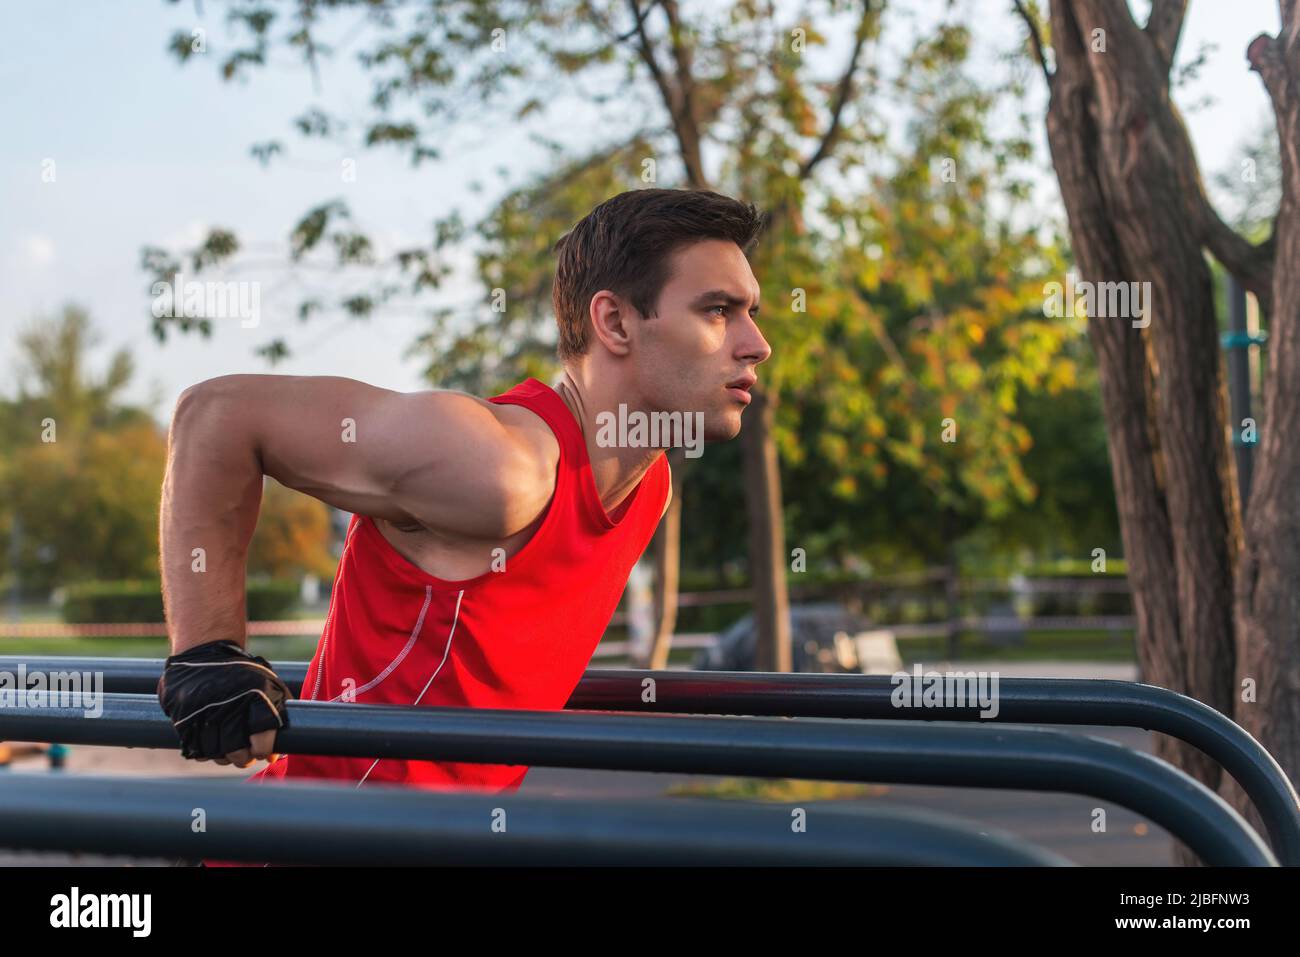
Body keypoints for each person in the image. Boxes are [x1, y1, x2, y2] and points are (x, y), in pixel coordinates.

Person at [156, 187, 771, 865]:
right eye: (719, 310)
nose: (758, 344)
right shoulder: (499, 469)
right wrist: (207, 654)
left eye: (751, 313)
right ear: (616, 323)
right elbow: (215, 415)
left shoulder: (647, 484)